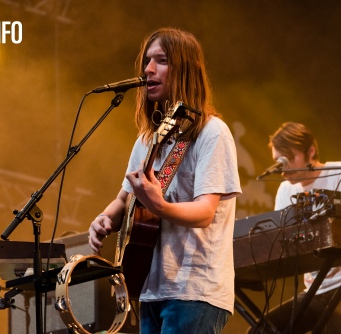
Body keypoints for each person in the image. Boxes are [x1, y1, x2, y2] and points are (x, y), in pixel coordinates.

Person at [87, 27, 241, 334]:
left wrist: (158, 205)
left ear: (184, 70)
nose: (148, 69)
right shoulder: (148, 140)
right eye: (147, 60)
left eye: (162, 60)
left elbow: (205, 212)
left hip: (194, 291)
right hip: (150, 288)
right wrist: (105, 218)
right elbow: (125, 198)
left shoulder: (212, 133)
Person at [257, 122, 341, 333]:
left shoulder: (338, 174)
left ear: (310, 151)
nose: (282, 167)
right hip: (316, 290)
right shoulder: (285, 190)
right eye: (277, 160)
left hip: (338, 287)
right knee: (262, 330)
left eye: (287, 158)